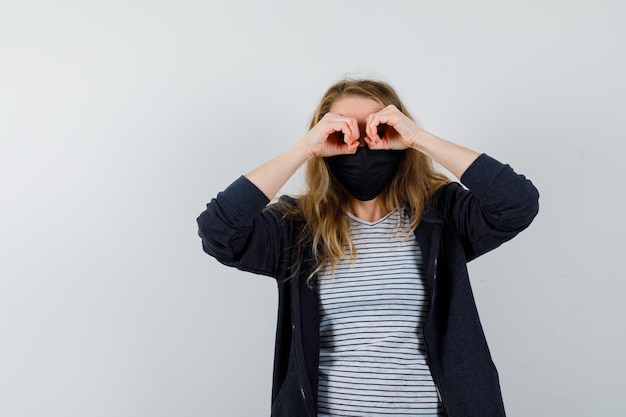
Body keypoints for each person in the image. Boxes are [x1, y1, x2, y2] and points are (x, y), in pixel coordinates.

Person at [197, 78, 539, 417]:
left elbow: (517, 203)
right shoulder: (295, 226)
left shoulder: (442, 215)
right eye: (344, 131)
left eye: (377, 127)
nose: (361, 144)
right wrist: (305, 149)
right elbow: (218, 231)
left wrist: (418, 139)